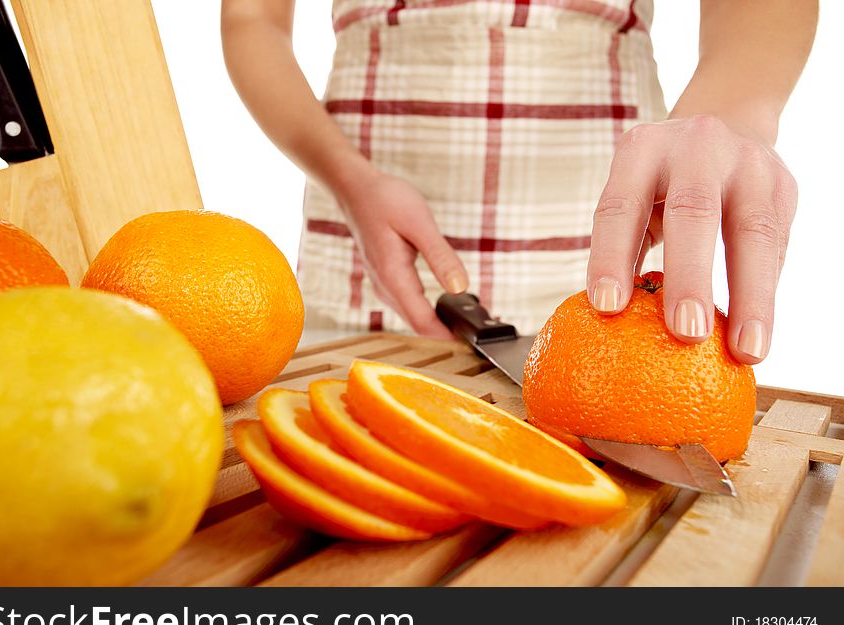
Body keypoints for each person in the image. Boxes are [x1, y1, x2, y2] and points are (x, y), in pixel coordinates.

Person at [221, 0, 817, 364]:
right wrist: (349, 183)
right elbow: (252, 17)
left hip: (595, 284)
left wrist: (726, 124)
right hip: (359, 258)